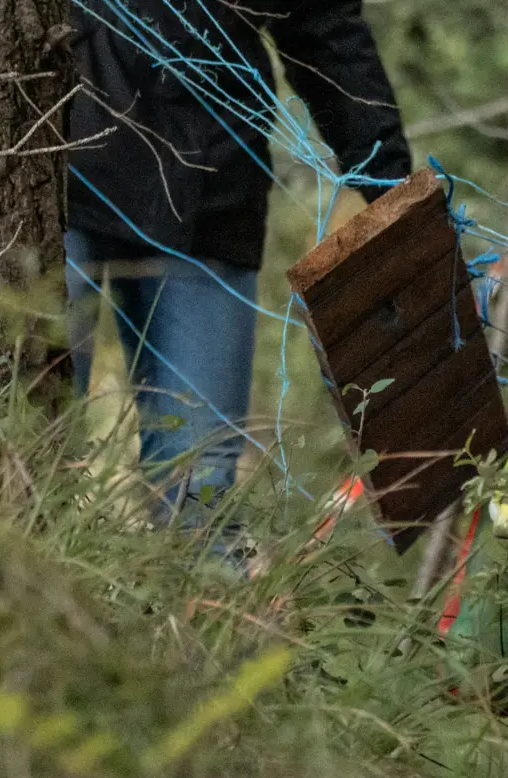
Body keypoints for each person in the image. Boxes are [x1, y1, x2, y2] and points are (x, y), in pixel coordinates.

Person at [65, 0, 411, 529]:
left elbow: (321, 22)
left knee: (201, 481)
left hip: (210, 194)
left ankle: (203, 608)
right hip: (55, 177)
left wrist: (386, 177)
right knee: (27, 432)